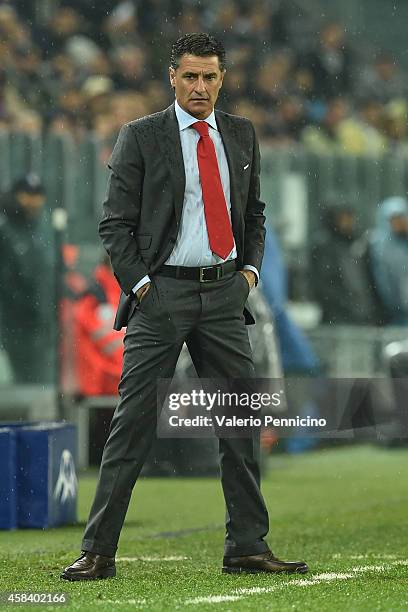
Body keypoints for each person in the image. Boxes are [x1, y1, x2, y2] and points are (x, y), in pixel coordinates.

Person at [61, 33, 308, 581]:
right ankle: (98, 551)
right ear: (172, 77)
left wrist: (249, 273)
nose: (200, 87)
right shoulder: (142, 136)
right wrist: (144, 287)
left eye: (210, 77)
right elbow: (115, 224)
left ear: (223, 79)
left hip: (225, 293)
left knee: (240, 422)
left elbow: (255, 213)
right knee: (133, 423)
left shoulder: (242, 134)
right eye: (191, 76)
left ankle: (247, 545)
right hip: (162, 294)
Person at [0, 174, 54, 383]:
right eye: (27, 195)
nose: (33, 201)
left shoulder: (41, 226)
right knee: (21, 378)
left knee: (37, 376)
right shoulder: (5, 227)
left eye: (37, 195)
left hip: (39, 317)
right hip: (13, 318)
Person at [368, 196, 408, 325]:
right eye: (395, 219)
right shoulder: (379, 246)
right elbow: (383, 282)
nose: (400, 223)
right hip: (393, 314)